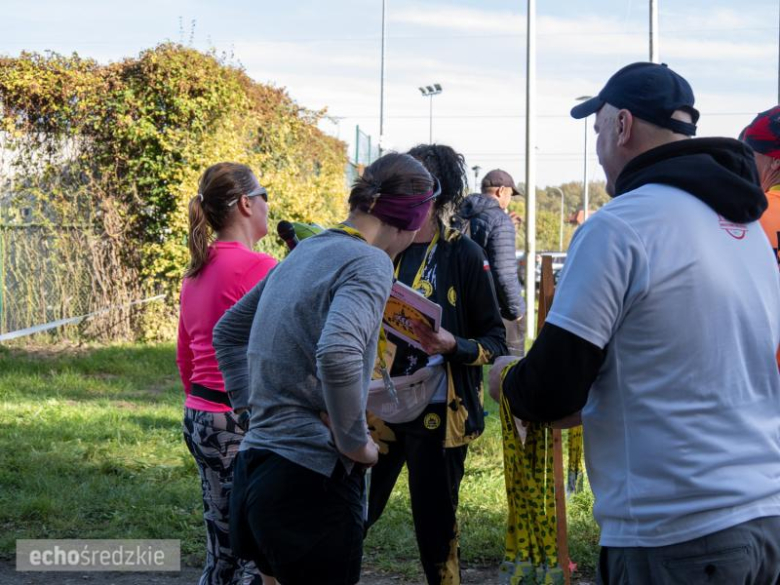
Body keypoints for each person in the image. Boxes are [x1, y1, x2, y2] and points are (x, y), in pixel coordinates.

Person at [491, 62, 780, 584]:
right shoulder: (745, 229)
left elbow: (551, 394)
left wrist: (505, 378)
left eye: (597, 128)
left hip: (676, 533)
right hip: (764, 515)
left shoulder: (621, 227)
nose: (598, 145)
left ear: (622, 125)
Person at [212, 153, 436, 585]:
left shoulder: (309, 248)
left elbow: (228, 332)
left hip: (257, 469)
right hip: (310, 482)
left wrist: (250, 410)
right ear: (413, 220)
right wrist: (358, 444)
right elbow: (337, 353)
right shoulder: (369, 262)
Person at [366, 144, 506, 585]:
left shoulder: (463, 254)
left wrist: (453, 345)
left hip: (439, 412)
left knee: (436, 526)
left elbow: (494, 340)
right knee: (354, 511)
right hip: (376, 405)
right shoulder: (378, 248)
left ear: (434, 194)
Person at [176, 162, 277, 585]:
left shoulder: (195, 270)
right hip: (239, 421)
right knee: (254, 555)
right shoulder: (262, 268)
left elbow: (185, 356)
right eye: (265, 194)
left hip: (201, 416)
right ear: (246, 204)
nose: (269, 204)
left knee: (221, 551)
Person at [455, 169, 526, 356]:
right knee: (510, 367)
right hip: (497, 310)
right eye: (510, 194)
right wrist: (517, 310)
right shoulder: (500, 220)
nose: (509, 200)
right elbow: (504, 274)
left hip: (462, 307)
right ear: (501, 191)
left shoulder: (461, 214)